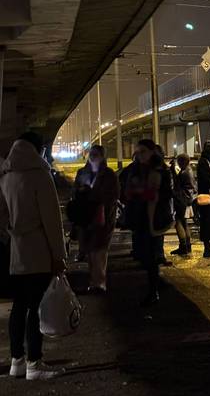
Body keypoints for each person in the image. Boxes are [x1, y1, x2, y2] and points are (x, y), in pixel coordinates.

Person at [0, 132, 67, 380]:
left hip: (15, 253)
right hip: (38, 251)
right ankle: (34, 363)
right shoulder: (40, 175)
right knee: (37, 307)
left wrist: (10, 234)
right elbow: (52, 220)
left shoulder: (6, 177)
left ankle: (16, 361)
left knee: (19, 306)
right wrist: (58, 255)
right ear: (38, 150)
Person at [123, 139, 173, 306]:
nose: (139, 155)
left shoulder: (161, 170)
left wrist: (142, 191)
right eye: (137, 152)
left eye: (143, 151)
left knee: (151, 255)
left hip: (155, 219)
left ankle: (154, 291)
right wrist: (141, 192)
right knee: (143, 255)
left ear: (152, 152)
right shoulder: (136, 169)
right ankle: (156, 283)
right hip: (140, 217)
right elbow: (128, 191)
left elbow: (162, 195)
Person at [72, 145, 120, 294]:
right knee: (90, 251)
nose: (93, 156)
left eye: (96, 154)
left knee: (99, 250)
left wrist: (92, 197)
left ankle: (99, 283)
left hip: (103, 218)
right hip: (86, 218)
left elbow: (113, 195)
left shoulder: (109, 174)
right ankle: (94, 281)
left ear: (102, 156)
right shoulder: (82, 172)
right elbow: (75, 193)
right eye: (91, 154)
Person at [170, 153, 196, 256]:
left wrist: (172, 170)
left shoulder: (184, 172)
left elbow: (177, 183)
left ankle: (183, 246)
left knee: (178, 222)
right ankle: (188, 246)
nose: (178, 164)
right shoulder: (188, 170)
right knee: (184, 222)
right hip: (188, 200)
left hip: (182, 200)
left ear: (182, 161)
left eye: (179, 161)